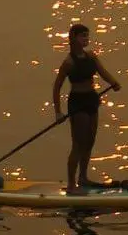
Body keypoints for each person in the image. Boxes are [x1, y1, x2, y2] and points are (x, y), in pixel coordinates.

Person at [52, 23, 122, 194]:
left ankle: (83, 178)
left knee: (90, 141)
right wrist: (58, 112)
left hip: (92, 100)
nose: (86, 39)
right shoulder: (68, 62)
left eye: (87, 36)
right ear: (73, 38)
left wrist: (113, 82)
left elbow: (102, 72)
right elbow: (57, 87)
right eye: (83, 36)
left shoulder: (91, 56)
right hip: (78, 103)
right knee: (78, 144)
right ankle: (70, 185)